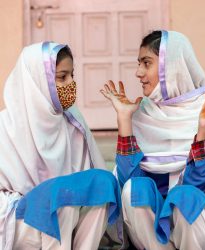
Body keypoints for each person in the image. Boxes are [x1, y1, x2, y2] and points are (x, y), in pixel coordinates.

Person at [100, 30, 205, 250]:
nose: (138, 73)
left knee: (184, 196)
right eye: (139, 63)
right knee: (133, 188)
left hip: (196, 223)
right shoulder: (144, 111)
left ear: (170, 66)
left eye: (146, 63)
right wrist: (124, 119)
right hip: (152, 234)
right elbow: (126, 180)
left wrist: (203, 130)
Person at [0, 42, 121, 250]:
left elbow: (87, 182)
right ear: (37, 81)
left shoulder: (72, 121)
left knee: (102, 183)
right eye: (62, 77)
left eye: (72, 76)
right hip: (23, 222)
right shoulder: (5, 128)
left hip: (67, 216)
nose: (71, 83)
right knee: (61, 194)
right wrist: (37, 200)